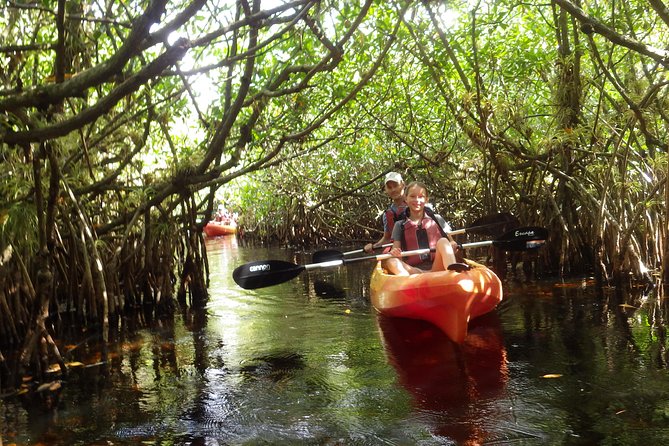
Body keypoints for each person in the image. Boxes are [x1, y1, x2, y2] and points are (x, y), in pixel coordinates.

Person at [383, 181, 460, 276]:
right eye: (412, 196)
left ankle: (453, 274)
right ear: (406, 199)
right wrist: (395, 253)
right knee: (392, 261)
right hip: (414, 272)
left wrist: (453, 246)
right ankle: (408, 283)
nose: (417, 200)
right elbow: (396, 254)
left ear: (426, 199)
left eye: (421, 197)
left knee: (444, 241)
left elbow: (452, 244)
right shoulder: (399, 225)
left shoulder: (437, 219)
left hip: (438, 268)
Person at [364, 172, 408, 253]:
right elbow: (387, 238)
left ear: (403, 185)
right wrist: (373, 247)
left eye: (396, 186)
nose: (393, 190)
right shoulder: (387, 214)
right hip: (398, 252)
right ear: (386, 190)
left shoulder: (415, 204)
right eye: (389, 187)